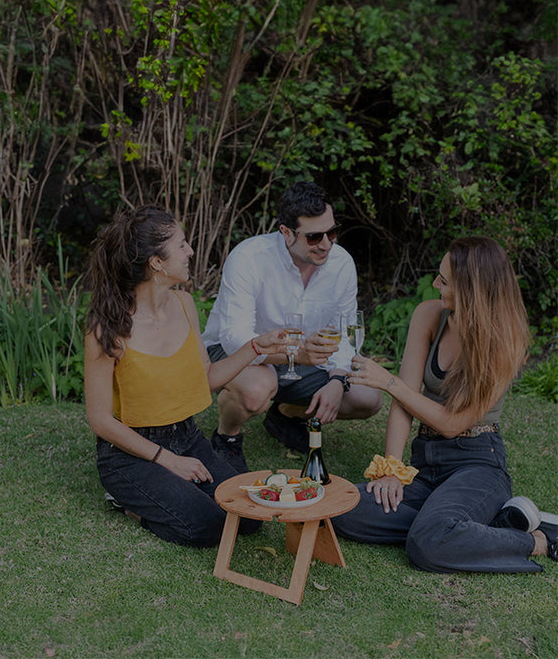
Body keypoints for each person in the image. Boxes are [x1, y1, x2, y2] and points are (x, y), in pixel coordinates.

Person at [335, 236, 557, 572]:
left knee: (427, 545)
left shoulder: (504, 341)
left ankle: (538, 540)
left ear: (471, 289)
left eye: (445, 280)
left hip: (477, 463)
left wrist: (388, 381)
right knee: (342, 507)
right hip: (426, 461)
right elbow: (404, 403)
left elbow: (452, 423)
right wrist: (391, 470)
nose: (436, 284)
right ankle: (462, 526)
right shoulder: (429, 315)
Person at [84, 205, 286, 547]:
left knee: (250, 515)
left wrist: (256, 347)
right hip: (129, 455)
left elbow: (205, 378)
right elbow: (100, 420)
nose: (190, 251)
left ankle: (166, 491)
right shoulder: (108, 327)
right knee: (208, 526)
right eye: (181, 245)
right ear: (156, 262)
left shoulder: (184, 304)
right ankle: (129, 503)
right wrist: (168, 461)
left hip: (187, 437)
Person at [202, 181, 382, 465]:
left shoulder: (341, 263)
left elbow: (344, 333)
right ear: (286, 232)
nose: (326, 244)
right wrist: (295, 354)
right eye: (314, 237)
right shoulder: (249, 257)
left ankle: (285, 415)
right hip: (236, 355)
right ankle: (227, 437)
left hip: (302, 361)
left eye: (332, 232)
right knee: (257, 388)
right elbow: (235, 338)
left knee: (367, 397)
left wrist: (337, 379)